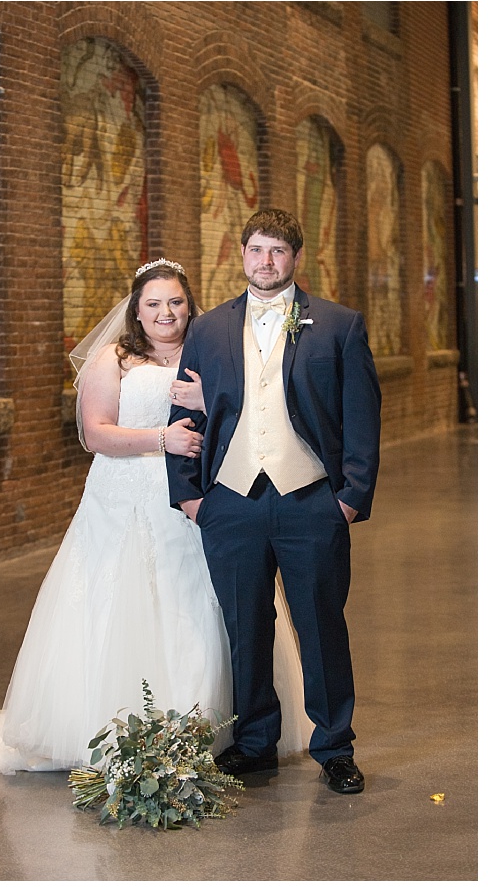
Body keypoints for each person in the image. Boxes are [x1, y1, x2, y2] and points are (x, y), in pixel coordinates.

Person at [0, 259, 312, 774]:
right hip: (122, 499)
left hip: (201, 500)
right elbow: (95, 434)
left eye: (175, 302)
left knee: (199, 605)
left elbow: (250, 414)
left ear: (189, 304)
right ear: (136, 310)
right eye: (153, 303)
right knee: (121, 601)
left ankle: (209, 725)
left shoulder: (214, 353)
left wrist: (208, 399)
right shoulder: (113, 359)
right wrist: (163, 439)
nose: (166, 312)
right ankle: (119, 724)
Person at [168, 208, 381, 794]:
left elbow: (362, 417)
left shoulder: (337, 325)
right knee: (246, 626)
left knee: (321, 625)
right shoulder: (207, 330)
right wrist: (191, 498)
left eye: (278, 252)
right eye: (257, 250)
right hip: (230, 502)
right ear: (242, 255)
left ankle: (334, 744)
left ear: (295, 257)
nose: (267, 262)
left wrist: (350, 498)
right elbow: (185, 415)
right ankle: (256, 742)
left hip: (311, 499)